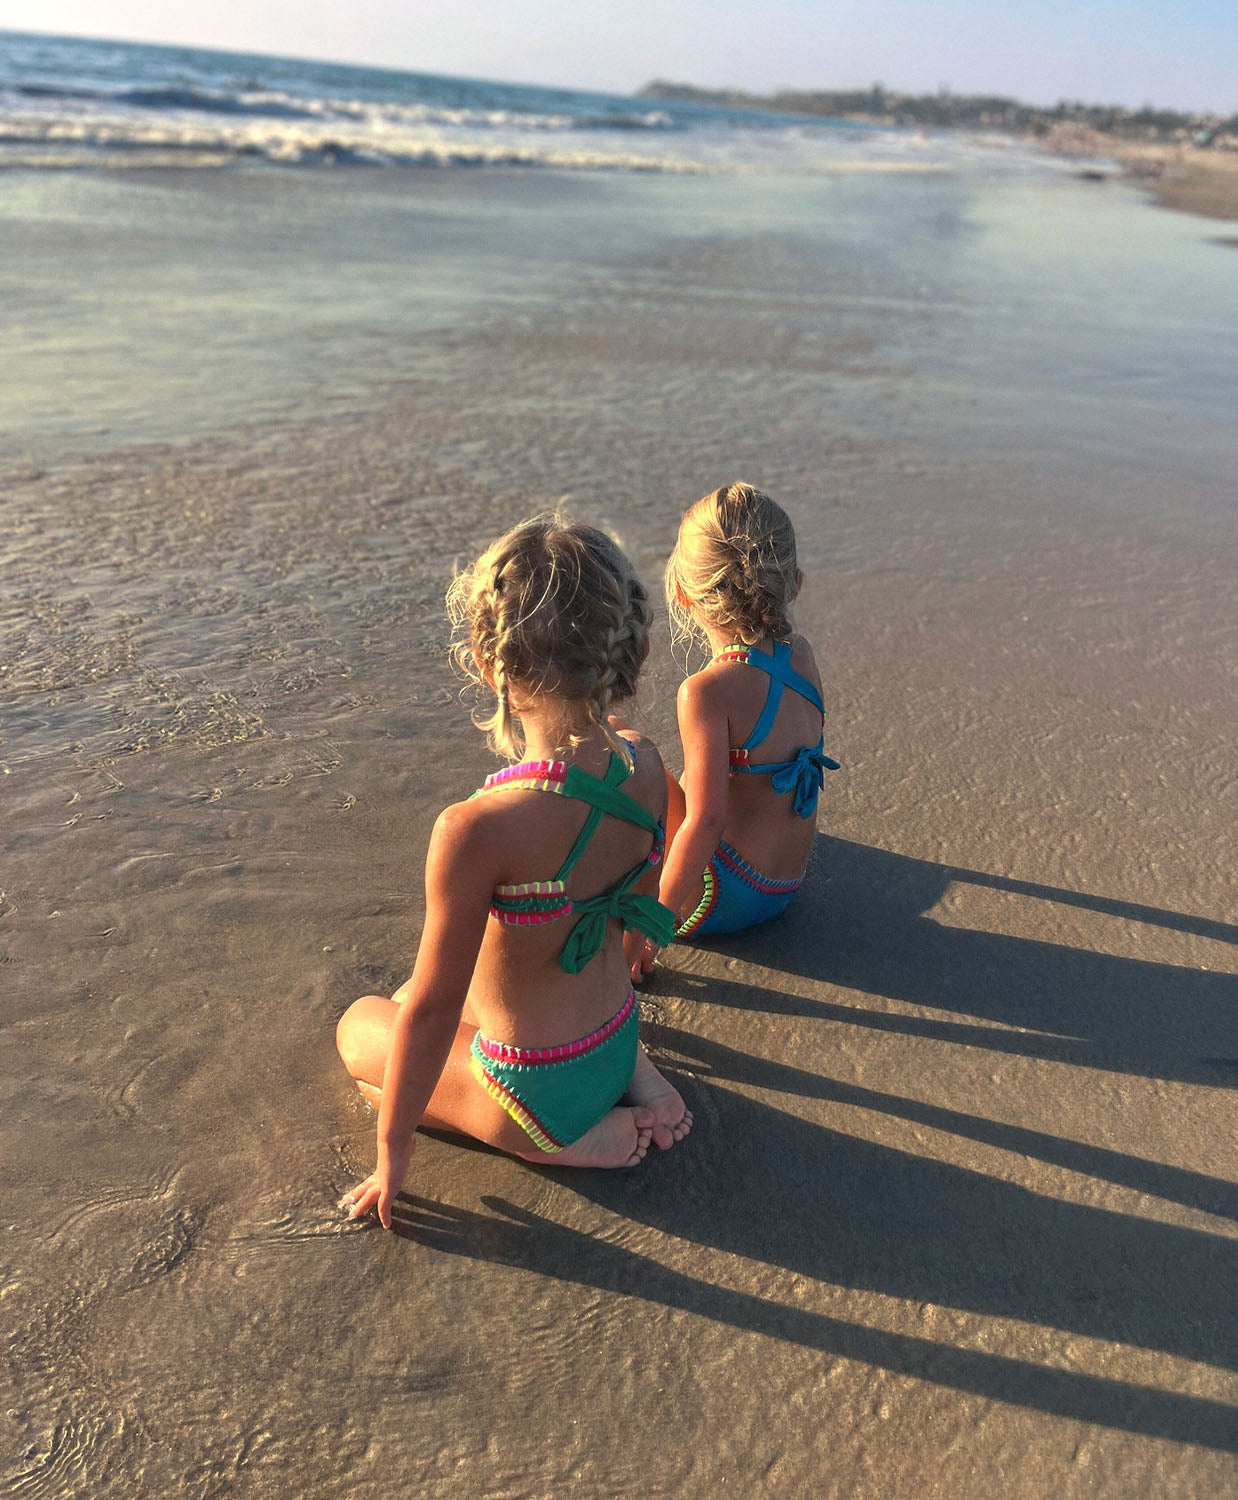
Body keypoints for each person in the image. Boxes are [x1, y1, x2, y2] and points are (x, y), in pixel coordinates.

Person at [337, 517, 692, 1229]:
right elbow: (640, 903)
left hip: (534, 1095)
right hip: (616, 1037)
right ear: (630, 646)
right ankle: (633, 1077)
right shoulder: (646, 765)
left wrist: (392, 1152)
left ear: (484, 659)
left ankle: (560, 1143)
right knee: (426, 998)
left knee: (362, 1030)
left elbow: (433, 1013)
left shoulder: (476, 829)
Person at [633, 483, 839, 976]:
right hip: (784, 886)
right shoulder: (802, 655)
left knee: (627, 745)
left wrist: (650, 930)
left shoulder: (706, 692)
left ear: (682, 592)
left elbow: (707, 822)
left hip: (717, 898)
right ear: (793, 584)